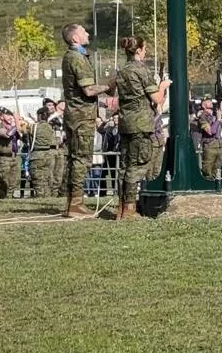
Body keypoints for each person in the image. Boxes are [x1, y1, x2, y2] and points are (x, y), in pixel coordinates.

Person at [108, 37, 169, 219]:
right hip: (141, 124)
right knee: (138, 165)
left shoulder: (121, 71)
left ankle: (121, 208)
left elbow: (110, 90)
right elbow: (157, 99)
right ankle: (130, 209)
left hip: (125, 122)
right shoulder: (141, 69)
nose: (145, 52)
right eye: (144, 49)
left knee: (125, 166)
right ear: (139, 50)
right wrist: (163, 86)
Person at [60, 22, 103, 217]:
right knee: (81, 159)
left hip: (76, 113)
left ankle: (72, 202)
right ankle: (75, 203)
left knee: (75, 158)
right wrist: (110, 85)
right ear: (75, 38)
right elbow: (88, 89)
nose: (87, 33)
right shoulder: (77, 58)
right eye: (83, 31)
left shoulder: (73, 56)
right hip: (81, 115)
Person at [0, 109, 22, 200]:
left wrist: (19, 125)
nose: (10, 117)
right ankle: (2, 198)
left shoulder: (11, 126)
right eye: (7, 115)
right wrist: (16, 122)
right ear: (0, 116)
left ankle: (9, 198)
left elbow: (21, 134)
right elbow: (7, 134)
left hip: (13, 156)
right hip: (3, 158)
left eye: (11, 115)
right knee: (4, 181)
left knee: (14, 181)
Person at [29, 106, 58, 198]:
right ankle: (48, 197)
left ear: (39, 116)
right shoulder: (50, 127)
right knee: (47, 178)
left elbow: (21, 130)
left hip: (37, 155)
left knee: (38, 179)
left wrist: (17, 118)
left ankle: (40, 197)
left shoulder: (35, 127)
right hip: (48, 154)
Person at [193, 98, 222, 187]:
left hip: (218, 145)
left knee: (217, 171)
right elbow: (210, 131)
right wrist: (218, 120)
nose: (210, 103)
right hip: (209, 146)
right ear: (203, 105)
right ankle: (208, 188)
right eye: (208, 102)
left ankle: (216, 187)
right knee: (208, 171)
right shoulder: (203, 117)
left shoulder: (213, 115)